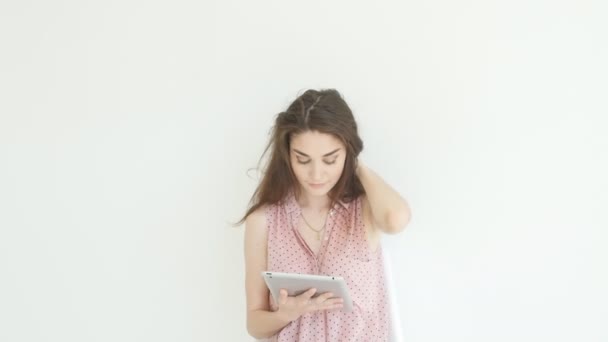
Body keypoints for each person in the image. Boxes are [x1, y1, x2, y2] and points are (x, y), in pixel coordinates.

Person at [238, 89, 411, 341]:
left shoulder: (363, 210)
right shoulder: (264, 221)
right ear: (287, 156)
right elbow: (255, 324)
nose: (316, 174)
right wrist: (286, 314)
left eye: (330, 159)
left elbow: (396, 220)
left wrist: (355, 164)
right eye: (303, 159)